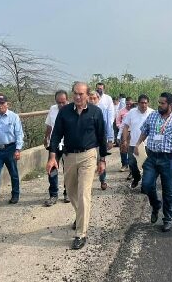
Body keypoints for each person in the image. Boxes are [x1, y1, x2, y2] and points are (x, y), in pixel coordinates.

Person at [47, 81, 107, 250]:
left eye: (81, 94)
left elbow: (102, 136)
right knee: (71, 191)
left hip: (88, 156)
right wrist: (53, 157)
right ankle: (81, 215)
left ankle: (81, 233)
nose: (78, 97)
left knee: (83, 193)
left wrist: (102, 159)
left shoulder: (96, 112)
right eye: (75, 93)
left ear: (88, 95)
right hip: (69, 156)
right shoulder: (65, 112)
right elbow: (56, 134)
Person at [134, 92, 172, 232]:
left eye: (162, 103)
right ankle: (156, 205)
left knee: (168, 190)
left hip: (168, 159)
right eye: (159, 102)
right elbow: (145, 130)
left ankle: (167, 219)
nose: (159, 105)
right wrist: (137, 143)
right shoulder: (153, 115)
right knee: (146, 185)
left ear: (171, 105)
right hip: (152, 157)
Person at [121, 94, 154, 189]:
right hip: (133, 144)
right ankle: (136, 177)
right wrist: (124, 141)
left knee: (146, 165)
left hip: (147, 144)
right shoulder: (132, 112)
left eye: (145, 103)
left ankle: (145, 185)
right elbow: (126, 126)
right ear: (138, 103)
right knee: (132, 163)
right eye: (142, 103)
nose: (144, 105)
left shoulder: (152, 113)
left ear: (148, 103)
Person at [43, 90, 70, 206]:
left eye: (63, 102)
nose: (61, 105)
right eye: (59, 102)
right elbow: (49, 125)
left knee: (68, 170)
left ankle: (67, 193)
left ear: (67, 100)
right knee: (52, 170)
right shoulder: (53, 109)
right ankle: (53, 194)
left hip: (68, 144)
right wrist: (46, 137)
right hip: (54, 144)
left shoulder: (72, 110)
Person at [88, 91, 114, 190]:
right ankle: (87, 184)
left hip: (99, 141)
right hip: (88, 143)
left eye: (94, 98)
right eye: (90, 98)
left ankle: (103, 180)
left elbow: (108, 124)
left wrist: (110, 139)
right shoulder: (83, 110)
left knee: (101, 161)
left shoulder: (101, 111)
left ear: (98, 99)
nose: (92, 100)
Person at [116, 97, 133, 172]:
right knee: (123, 149)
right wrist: (121, 128)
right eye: (127, 104)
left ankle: (132, 165)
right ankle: (124, 165)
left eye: (130, 104)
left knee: (132, 149)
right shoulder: (121, 111)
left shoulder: (135, 111)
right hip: (124, 132)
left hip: (133, 132)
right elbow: (117, 122)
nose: (128, 105)